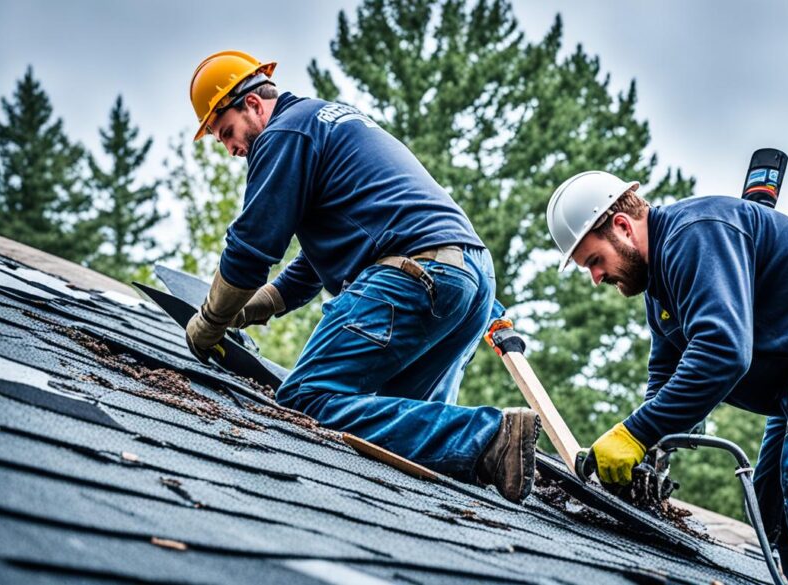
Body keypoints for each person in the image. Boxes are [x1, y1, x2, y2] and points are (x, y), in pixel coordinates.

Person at [184, 50, 540, 503]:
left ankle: (488, 436)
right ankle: (490, 454)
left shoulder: (284, 134)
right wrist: (259, 306)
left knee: (307, 398)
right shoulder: (324, 122)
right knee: (401, 435)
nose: (232, 149)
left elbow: (251, 247)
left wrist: (210, 321)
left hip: (415, 273)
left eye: (227, 133)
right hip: (469, 279)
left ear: (252, 103)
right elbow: (314, 264)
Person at [546, 171, 788, 583]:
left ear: (623, 227)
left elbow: (722, 353)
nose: (596, 277)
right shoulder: (661, 285)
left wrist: (635, 432)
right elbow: (667, 370)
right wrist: (651, 449)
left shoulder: (695, 235)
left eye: (595, 261)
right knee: (775, 504)